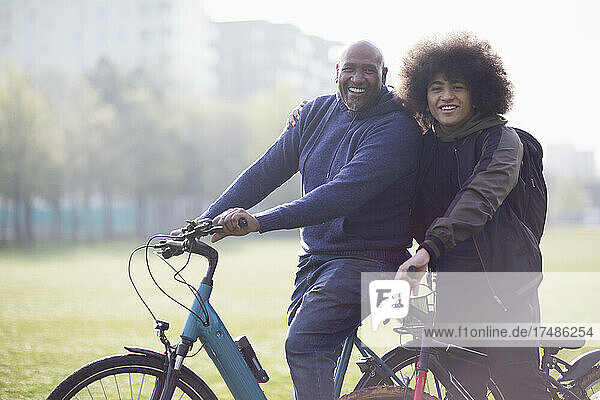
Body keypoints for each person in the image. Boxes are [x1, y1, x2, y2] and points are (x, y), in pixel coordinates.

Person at [179, 40, 422, 400]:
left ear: (383, 75)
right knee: (312, 349)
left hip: (373, 263)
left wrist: (259, 221)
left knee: (305, 343)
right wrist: (201, 222)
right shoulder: (314, 114)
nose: (358, 78)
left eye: (369, 70)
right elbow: (264, 173)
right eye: (349, 69)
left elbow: (338, 195)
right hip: (316, 261)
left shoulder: (397, 130)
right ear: (335, 73)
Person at [395, 32, 549, 398]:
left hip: (505, 286)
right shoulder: (425, 145)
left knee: (517, 384)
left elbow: (478, 199)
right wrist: (318, 109)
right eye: (436, 88)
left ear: (478, 92)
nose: (446, 97)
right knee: (463, 387)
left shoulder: (501, 140)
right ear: (423, 95)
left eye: (457, 87)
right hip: (453, 287)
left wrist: (428, 249)